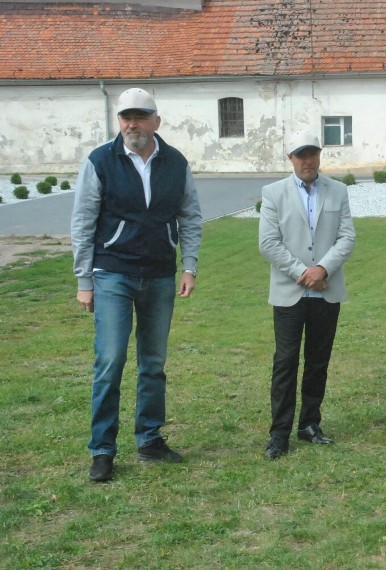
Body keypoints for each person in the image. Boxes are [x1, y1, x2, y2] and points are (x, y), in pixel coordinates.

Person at [71, 87, 202, 482]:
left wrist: (189, 266)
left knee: (153, 363)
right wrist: (84, 279)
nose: (132, 124)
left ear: (156, 122)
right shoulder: (100, 161)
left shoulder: (175, 163)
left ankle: (149, 440)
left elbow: (190, 216)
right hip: (112, 273)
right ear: (119, 122)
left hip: (160, 274)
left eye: (140, 117)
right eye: (126, 117)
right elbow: (83, 220)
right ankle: (103, 450)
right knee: (110, 362)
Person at [258, 131, 356, 459]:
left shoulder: (338, 191)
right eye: (301, 155)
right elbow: (268, 243)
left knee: (318, 361)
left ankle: (310, 424)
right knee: (285, 362)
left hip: (326, 292)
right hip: (290, 292)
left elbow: (346, 237)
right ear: (290, 158)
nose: (308, 161)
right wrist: (304, 273)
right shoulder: (273, 193)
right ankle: (279, 433)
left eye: (313, 154)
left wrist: (323, 269)